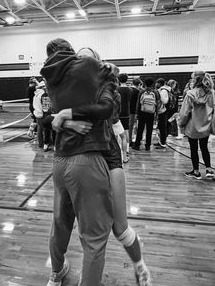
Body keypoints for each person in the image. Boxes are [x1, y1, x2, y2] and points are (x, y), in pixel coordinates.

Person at [51, 47, 152, 286]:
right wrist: (68, 121)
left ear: (96, 63)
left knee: (120, 228)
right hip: (79, 162)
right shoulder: (73, 88)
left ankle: (140, 266)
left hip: (108, 158)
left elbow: (107, 111)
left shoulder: (107, 85)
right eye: (79, 58)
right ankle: (59, 273)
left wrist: (69, 114)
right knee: (64, 223)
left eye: (88, 58)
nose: (82, 62)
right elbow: (50, 119)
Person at [40, 38, 115, 286]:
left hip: (60, 162)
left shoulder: (51, 79)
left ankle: (56, 273)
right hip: (88, 160)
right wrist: (110, 74)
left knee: (60, 224)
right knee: (94, 237)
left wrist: (65, 118)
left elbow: (45, 117)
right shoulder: (92, 70)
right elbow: (107, 108)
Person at [178, 71, 214, 180]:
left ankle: (196, 171)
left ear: (195, 80)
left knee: (193, 149)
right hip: (206, 125)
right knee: (204, 148)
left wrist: (181, 123)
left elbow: (184, 112)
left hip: (192, 126)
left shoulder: (190, 94)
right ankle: (209, 170)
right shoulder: (212, 93)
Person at [132, 78, 159, 151]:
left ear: (145, 84)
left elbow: (138, 103)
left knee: (140, 129)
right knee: (149, 130)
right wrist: (156, 114)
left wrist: (137, 113)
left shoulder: (141, 92)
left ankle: (137, 145)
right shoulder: (155, 92)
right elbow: (157, 104)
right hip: (151, 113)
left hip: (142, 112)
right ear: (152, 84)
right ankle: (148, 146)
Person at [118, 73, 132, 161]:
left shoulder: (116, 89)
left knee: (117, 132)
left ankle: (119, 151)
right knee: (126, 130)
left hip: (117, 112)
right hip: (126, 112)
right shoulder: (130, 90)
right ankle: (127, 149)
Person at [154, 78, 170, 149]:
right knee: (160, 127)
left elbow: (165, 101)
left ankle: (163, 143)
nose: (156, 84)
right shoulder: (163, 90)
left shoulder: (163, 90)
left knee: (162, 127)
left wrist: (159, 94)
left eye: (157, 83)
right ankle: (161, 141)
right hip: (162, 110)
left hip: (163, 111)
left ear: (160, 83)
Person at [129, 77, 142, 146]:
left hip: (127, 110)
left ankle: (129, 139)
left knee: (129, 126)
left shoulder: (129, 89)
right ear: (139, 84)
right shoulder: (138, 91)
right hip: (134, 111)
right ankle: (130, 140)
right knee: (131, 126)